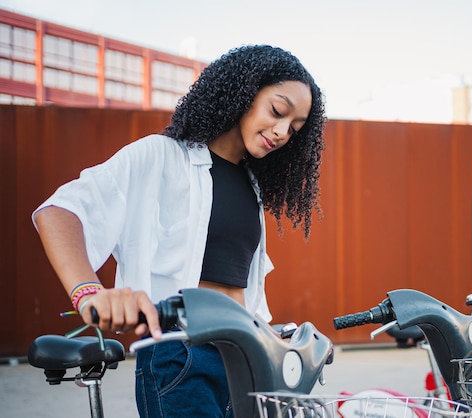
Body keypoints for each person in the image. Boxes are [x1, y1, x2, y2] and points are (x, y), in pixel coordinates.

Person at [32, 44, 327, 418]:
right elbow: (60, 212)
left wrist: (274, 337)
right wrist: (89, 293)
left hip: (248, 358)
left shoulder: (251, 186)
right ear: (244, 91)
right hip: (183, 355)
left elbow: (237, 290)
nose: (283, 131)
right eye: (278, 111)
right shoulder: (161, 156)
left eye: (295, 128)